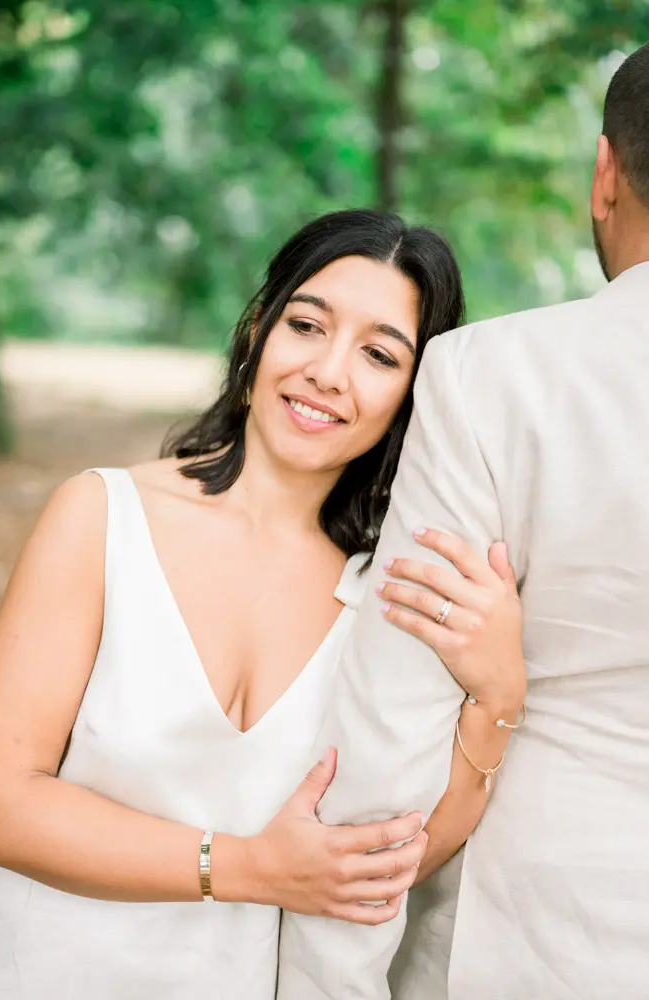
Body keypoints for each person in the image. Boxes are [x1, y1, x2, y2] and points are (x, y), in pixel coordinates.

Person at [0, 209, 525, 1000]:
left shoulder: (386, 590)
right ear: (256, 331)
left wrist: (497, 694)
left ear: (412, 396)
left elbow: (385, 861)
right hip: (32, 970)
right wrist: (247, 867)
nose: (327, 371)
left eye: (379, 354)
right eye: (307, 325)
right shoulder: (102, 516)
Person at [277, 44, 649, 1000]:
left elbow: (390, 722)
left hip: (537, 928)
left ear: (605, 173)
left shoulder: (498, 376)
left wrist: (330, 982)